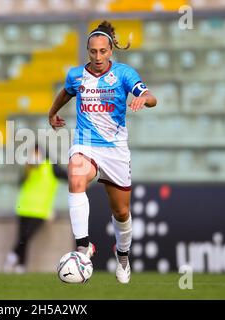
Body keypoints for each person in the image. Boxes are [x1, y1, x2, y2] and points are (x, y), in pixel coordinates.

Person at [48, 21, 157, 284]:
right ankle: (83, 248)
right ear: (88, 51)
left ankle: (122, 255)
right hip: (86, 144)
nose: (98, 57)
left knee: (121, 213)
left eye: (103, 51)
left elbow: (151, 96)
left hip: (116, 151)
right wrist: (52, 113)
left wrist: (144, 99)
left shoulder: (124, 74)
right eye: (93, 52)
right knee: (76, 175)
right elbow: (66, 92)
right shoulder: (76, 75)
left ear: (111, 51)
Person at [3, 144, 67, 273]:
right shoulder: (28, 167)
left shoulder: (51, 166)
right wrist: (28, 169)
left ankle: (12, 256)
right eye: (34, 152)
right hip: (24, 208)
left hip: (40, 210)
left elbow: (67, 176)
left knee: (25, 236)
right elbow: (20, 183)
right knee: (22, 238)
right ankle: (21, 266)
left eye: (37, 152)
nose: (35, 155)